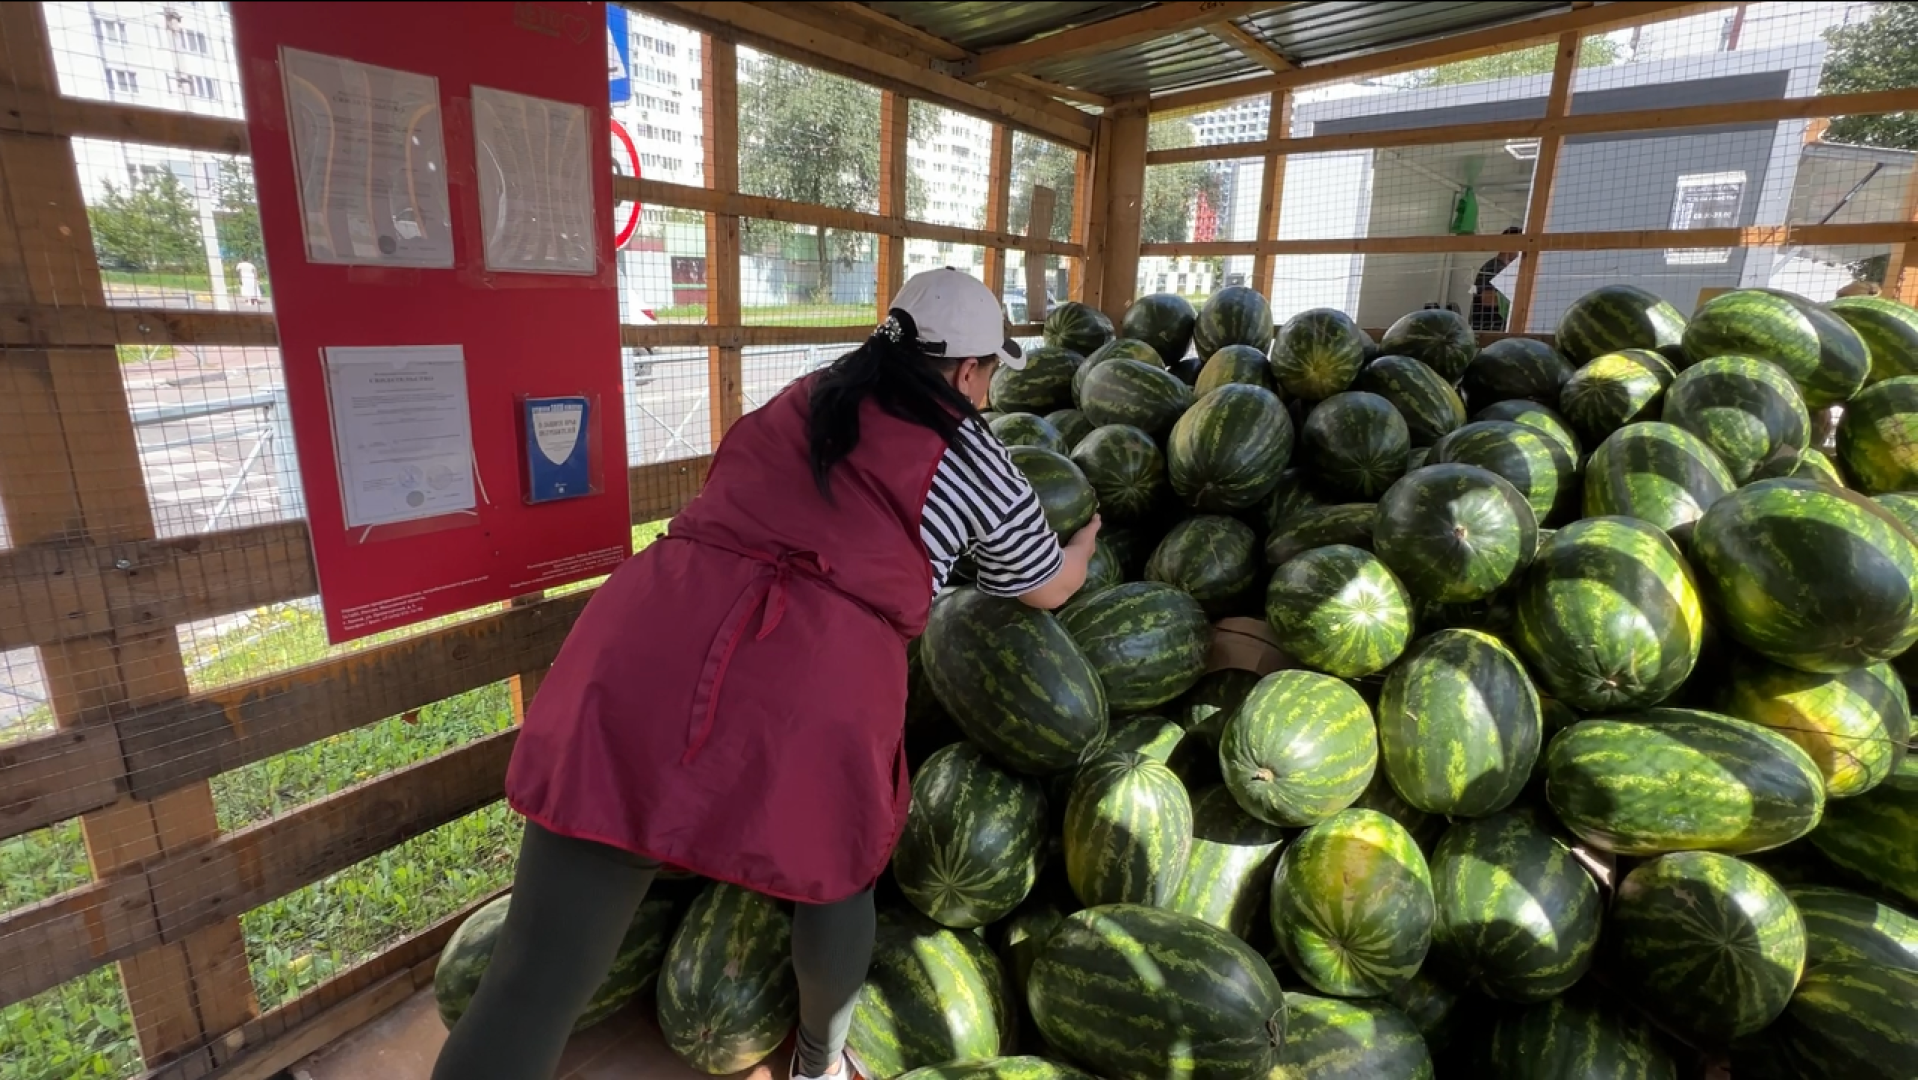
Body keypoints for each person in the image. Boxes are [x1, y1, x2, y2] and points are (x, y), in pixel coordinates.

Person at [431, 268, 1101, 1080]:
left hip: (647, 636)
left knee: (532, 979)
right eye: (991, 373)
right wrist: (1084, 545)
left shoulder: (809, 392)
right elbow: (1046, 585)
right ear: (968, 372)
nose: (990, 393)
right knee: (833, 876)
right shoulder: (975, 452)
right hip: (812, 674)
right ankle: (817, 1064)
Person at [1470, 225, 1524, 331]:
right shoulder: (1492, 268)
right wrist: (1519, 299)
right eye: (1521, 246)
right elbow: (1486, 299)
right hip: (1487, 328)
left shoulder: (1505, 269)